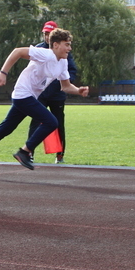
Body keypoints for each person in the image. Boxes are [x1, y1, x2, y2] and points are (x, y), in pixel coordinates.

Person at [0, 28, 89, 175]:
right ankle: (25, 152)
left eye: (70, 45)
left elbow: (65, 86)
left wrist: (78, 90)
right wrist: (3, 72)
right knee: (51, 122)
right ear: (56, 45)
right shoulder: (45, 54)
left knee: (7, 127)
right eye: (67, 44)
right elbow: (17, 52)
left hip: (30, 96)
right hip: (23, 94)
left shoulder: (62, 62)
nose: (69, 48)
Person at [27, 20, 78, 164]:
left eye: (50, 34)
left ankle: (59, 154)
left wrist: (62, 83)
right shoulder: (38, 49)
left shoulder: (63, 52)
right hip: (40, 95)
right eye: (45, 34)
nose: (47, 36)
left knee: (58, 124)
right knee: (35, 123)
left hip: (57, 94)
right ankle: (29, 153)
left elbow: (71, 70)